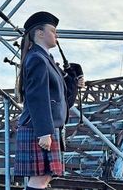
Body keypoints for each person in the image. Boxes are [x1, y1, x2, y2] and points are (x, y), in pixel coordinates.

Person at [14, 11, 84, 190]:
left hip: (49, 126)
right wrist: (44, 131)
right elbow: (37, 96)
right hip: (41, 128)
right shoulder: (38, 59)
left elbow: (61, 100)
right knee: (40, 179)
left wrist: (74, 82)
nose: (57, 35)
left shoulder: (45, 59)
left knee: (43, 178)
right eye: (53, 31)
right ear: (39, 33)